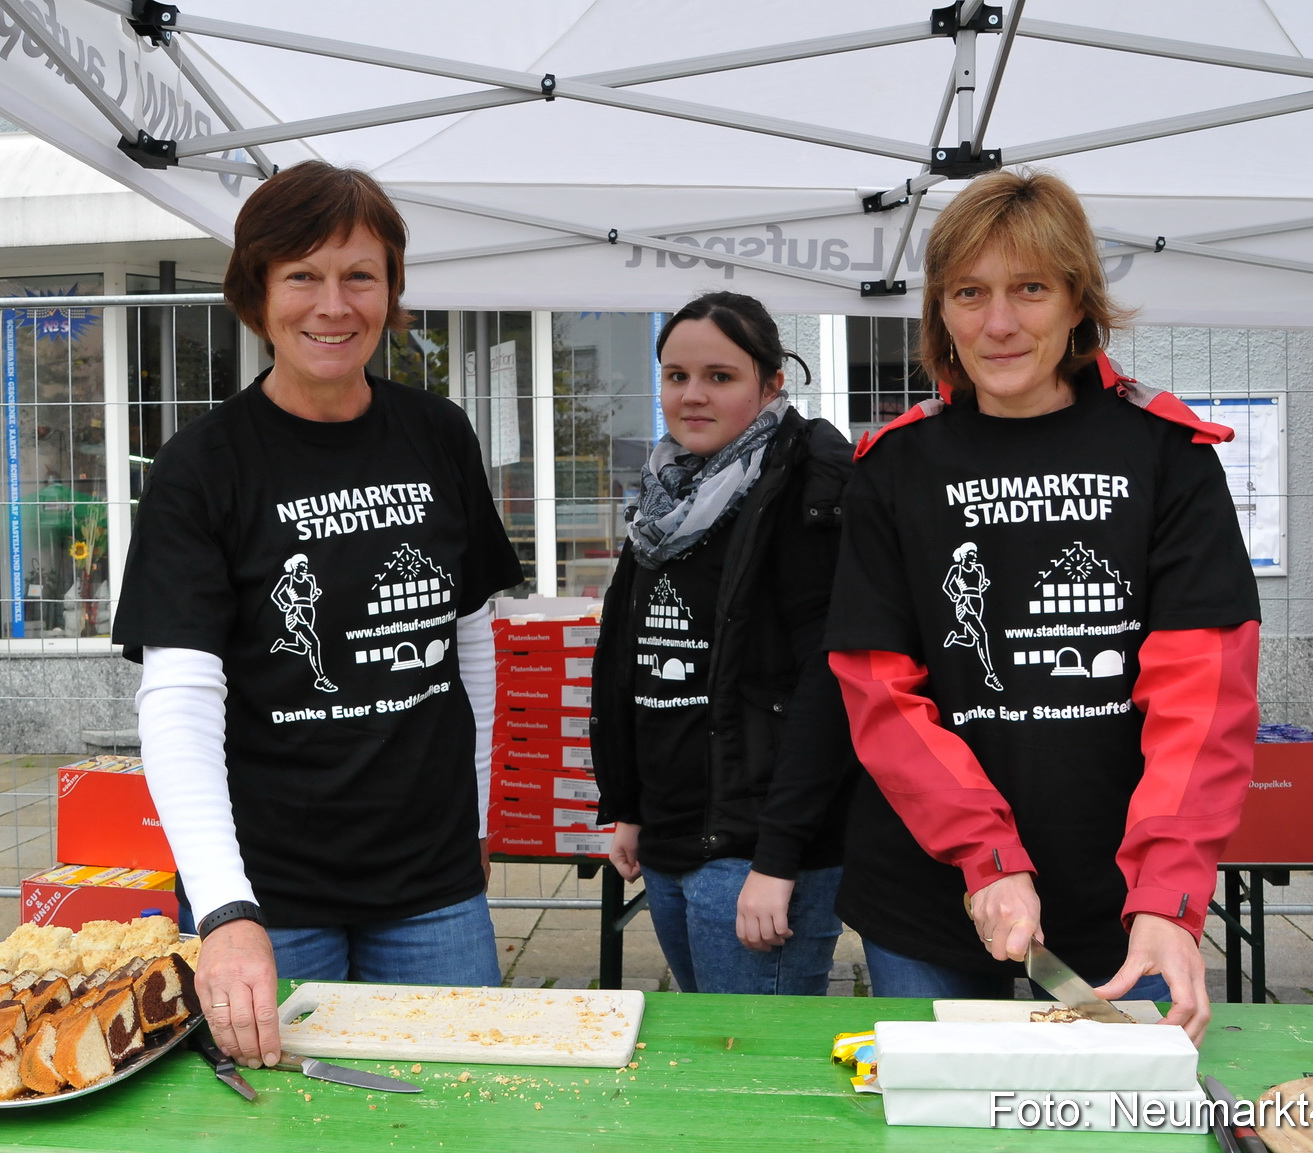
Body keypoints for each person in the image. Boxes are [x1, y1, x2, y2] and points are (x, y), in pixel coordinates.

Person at [824, 170, 1260, 1044]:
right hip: (932, 889)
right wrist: (984, 855)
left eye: (1029, 288)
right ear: (939, 312)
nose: (998, 322)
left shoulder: (1164, 454)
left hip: (1120, 902)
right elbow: (877, 689)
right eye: (968, 292)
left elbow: (1202, 695)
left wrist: (1169, 895)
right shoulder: (893, 468)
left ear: (1076, 301)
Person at [113, 161, 523, 1069]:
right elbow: (178, 699)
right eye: (302, 275)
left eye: (359, 276)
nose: (332, 305)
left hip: (434, 887)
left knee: (454, 1113)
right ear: (257, 291)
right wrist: (223, 909)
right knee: (280, 1128)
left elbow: (470, 647)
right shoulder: (203, 467)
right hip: (270, 893)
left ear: (390, 290)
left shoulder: (438, 434)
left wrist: (481, 817)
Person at [591, 291, 859, 995]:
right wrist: (629, 807)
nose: (692, 395)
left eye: (719, 376)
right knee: (709, 1045)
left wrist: (778, 860)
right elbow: (635, 655)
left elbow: (826, 690)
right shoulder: (665, 494)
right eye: (676, 376)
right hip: (672, 833)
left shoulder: (809, 493)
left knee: (749, 1069)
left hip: (755, 853)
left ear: (770, 383)